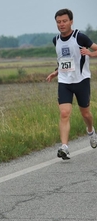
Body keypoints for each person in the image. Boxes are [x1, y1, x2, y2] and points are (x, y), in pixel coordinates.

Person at [46, 8, 97, 160]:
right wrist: (56, 72)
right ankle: (64, 147)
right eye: (58, 22)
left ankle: (91, 131)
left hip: (81, 80)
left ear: (71, 21)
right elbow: (63, 59)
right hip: (64, 81)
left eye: (64, 21)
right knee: (64, 113)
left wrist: (90, 53)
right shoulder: (56, 40)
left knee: (85, 113)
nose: (61, 24)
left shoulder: (80, 37)